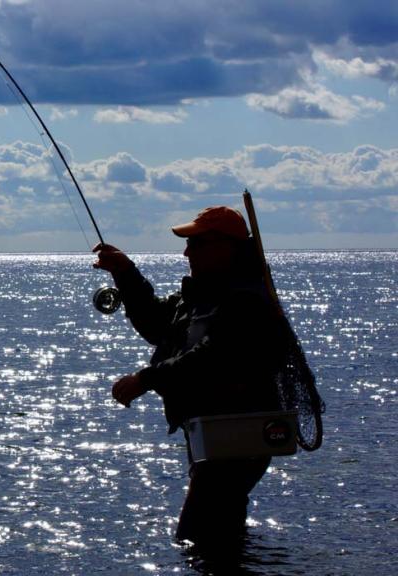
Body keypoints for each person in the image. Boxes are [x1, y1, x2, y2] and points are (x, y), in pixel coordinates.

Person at [92, 206, 287, 546]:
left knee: (197, 537)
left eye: (196, 244)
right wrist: (125, 272)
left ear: (224, 247)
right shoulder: (200, 296)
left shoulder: (245, 302)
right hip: (213, 435)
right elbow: (155, 324)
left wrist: (144, 379)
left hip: (238, 437)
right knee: (222, 536)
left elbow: (209, 357)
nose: (187, 253)